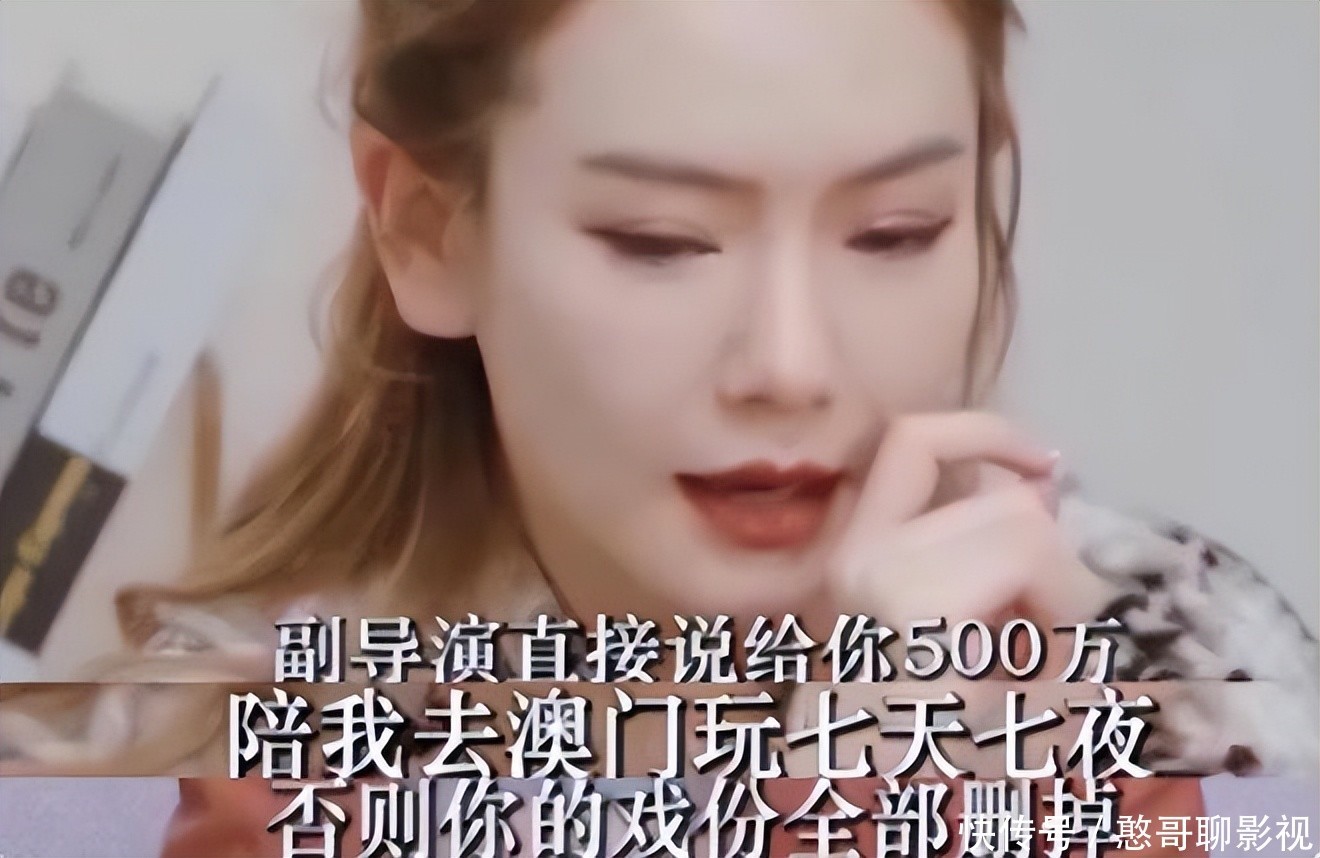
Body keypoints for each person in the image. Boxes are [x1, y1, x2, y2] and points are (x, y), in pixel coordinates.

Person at [0, 0, 1314, 855]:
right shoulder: (203, 760)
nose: (791, 364)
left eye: (894, 232)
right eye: (660, 241)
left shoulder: (1184, 653)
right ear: (426, 229)